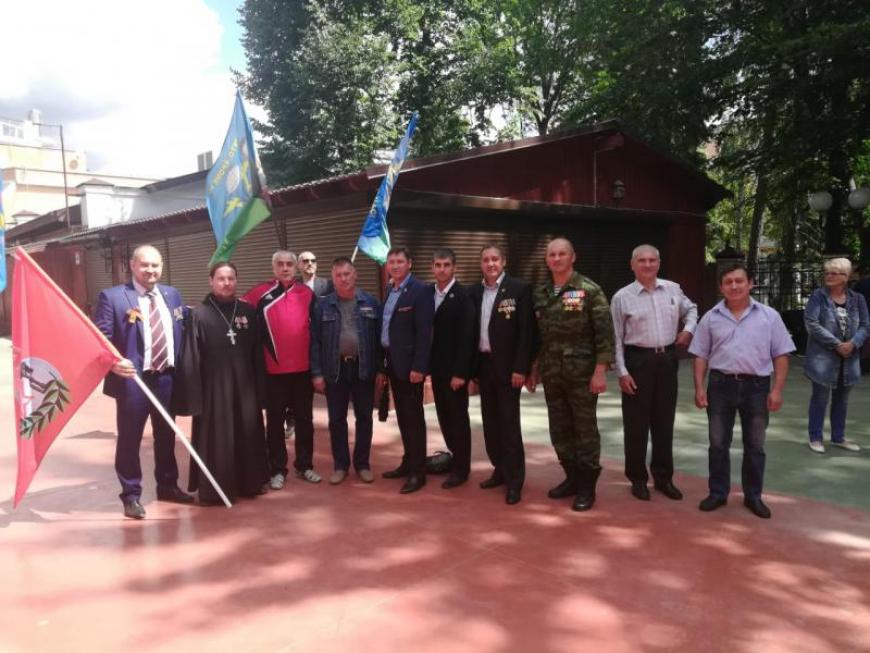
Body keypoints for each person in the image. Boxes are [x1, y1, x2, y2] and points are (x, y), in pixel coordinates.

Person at [94, 244, 194, 520]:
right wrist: (112, 363)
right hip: (133, 381)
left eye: (155, 265)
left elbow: (183, 327)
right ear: (133, 266)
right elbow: (99, 338)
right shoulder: (113, 297)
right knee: (130, 439)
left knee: (166, 435)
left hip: (166, 378)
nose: (151, 270)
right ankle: (131, 495)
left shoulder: (172, 295)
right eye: (145, 265)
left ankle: (168, 485)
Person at [689, 262, 795, 519]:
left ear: (750, 284)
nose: (734, 286)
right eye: (728, 282)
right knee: (717, 444)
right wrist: (699, 387)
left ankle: (753, 496)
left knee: (755, 445)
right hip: (720, 386)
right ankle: (717, 493)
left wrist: (777, 390)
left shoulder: (769, 316)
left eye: (739, 281)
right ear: (721, 287)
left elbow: (781, 354)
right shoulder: (711, 317)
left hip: (757, 387)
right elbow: (701, 354)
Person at [174, 262, 269, 504]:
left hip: (245, 389)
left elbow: (258, 354)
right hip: (213, 391)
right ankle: (215, 489)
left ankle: (249, 483)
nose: (226, 283)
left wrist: (261, 392)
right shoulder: (199, 314)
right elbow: (191, 357)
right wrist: (194, 398)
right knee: (217, 438)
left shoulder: (248, 312)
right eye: (221, 278)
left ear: (236, 280)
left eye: (231, 278)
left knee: (247, 433)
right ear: (211, 281)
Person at [529, 238, 613, 512]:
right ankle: (572, 478)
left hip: (582, 376)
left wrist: (600, 371)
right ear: (547, 259)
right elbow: (538, 337)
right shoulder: (541, 292)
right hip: (552, 374)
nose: (556, 259)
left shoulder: (589, 290)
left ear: (572, 257)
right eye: (552, 254)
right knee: (559, 430)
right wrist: (534, 368)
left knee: (584, 431)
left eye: (562, 254)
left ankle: (587, 487)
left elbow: (604, 335)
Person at [610, 244, 697, 502]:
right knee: (636, 424)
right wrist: (622, 372)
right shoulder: (622, 297)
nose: (647, 265)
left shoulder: (672, 289)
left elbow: (692, 309)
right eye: (642, 260)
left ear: (658, 263)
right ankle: (637, 479)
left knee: (664, 422)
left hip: (667, 360)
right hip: (638, 361)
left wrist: (688, 329)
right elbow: (615, 338)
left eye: (652, 260)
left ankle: (663, 478)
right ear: (632, 265)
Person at [242, 250, 320, 489]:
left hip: (303, 371)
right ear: (273, 267)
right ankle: (277, 469)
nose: (285, 268)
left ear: (296, 267)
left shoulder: (307, 294)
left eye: (289, 264)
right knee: (275, 423)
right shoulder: (258, 293)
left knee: (305, 421)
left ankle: (304, 465)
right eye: (280, 264)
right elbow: (237, 315)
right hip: (273, 373)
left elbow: (317, 330)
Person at [469, 245, 535, 505]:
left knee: (509, 425)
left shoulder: (519, 289)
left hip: (509, 369)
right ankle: (500, 469)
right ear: (480, 264)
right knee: (490, 423)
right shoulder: (474, 292)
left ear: (503, 261)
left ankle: (515, 480)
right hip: (484, 366)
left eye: (495, 259)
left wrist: (521, 368)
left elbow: (526, 332)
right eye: (486, 260)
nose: (490, 264)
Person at [310, 257, 381, 484]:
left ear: (355, 274)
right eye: (338, 275)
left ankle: (362, 464)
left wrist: (381, 370)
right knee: (337, 419)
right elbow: (315, 342)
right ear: (333, 278)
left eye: (347, 274)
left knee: (364, 418)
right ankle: (341, 465)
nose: (343, 279)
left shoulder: (371, 302)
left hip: (363, 368)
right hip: (335, 369)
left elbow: (379, 340)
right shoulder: (322, 306)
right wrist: (317, 373)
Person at [379, 246, 435, 494]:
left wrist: (419, 366)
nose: (395, 265)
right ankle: (408, 461)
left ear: (409, 263)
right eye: (391, 261)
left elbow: (425, 332)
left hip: (411, 367)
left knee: (413, 419)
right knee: (402, 417)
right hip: (393, 363)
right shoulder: (390, 289)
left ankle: (418, 473)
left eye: (399, 261)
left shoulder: (420, 290)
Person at [804, 257, 869, 453]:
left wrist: (854, 343)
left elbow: (865, 325)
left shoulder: (858, 299)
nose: (829, 276)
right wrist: (836, 344)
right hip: (822, 359)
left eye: (834, 273)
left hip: (849, 359)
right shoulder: (818, 296)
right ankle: (815, 438)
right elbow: (811, 323)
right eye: (827, 273)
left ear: (846, 277)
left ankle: (838, 437)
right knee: (820, 398)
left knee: (842, 400)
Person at [429, 248, 475, 489]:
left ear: (454, 267)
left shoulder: (463, 296)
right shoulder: (428, 293)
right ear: (432, 267)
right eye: (438, 265)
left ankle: (461, 469)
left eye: (446, 265)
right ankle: (454, 458)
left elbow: (468, 338)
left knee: (458, 420)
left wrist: (461, 373)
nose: (442, 269)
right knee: (444, 418)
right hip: (435, 369)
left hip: (454, 372)